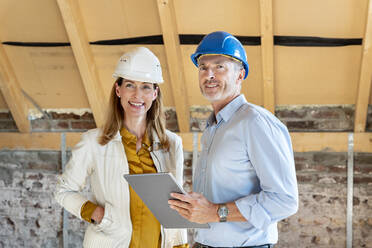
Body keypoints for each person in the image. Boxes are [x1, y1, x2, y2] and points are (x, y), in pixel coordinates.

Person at [168, 31, 298, 248]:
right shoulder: (212, 128)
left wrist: (215, 212)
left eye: (219, 66)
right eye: (203, 67)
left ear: (240, 75)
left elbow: (284, 200)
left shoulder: (255, 122)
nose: (209, 74)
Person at [55, 47, 188, 248]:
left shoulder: (172, 144)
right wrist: (96, 214)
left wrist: (181, 245)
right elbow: (63, 190)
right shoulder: (94, 142)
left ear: (155, 92)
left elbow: (175, 206)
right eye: (130, 85)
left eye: (145, 87)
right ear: (118, 90)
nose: (137, 95)